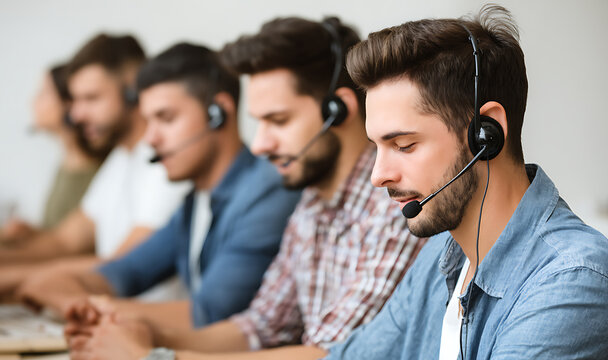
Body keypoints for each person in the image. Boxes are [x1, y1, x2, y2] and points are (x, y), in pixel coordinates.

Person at [65, 16, 426, 360]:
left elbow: (334, 354)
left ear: (339, 110)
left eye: (278, 121)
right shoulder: (312, 204)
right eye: (259, 123)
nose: (259, 145)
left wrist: (152, 355)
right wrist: (141, 332)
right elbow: (259, 326)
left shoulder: (395, 205)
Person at [324, 5, 608, 359]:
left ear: (485, 133)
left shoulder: (574, 285)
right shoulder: (443, 256)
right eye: (378, 146)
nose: (378, 175)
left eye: (403, 145)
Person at [16, 42, 301, 331]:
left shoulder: (267, 191)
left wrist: (86, 307)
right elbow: (124, 272)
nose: (150, 139)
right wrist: (67, 289)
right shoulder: (194, 201)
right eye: (148, 120)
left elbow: (212, 313)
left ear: (219, 112)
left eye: (165, 118)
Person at [0, 34, 189, 306]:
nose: (76, 115)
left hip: (147, 323)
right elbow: (64, 241)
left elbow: (124, 264)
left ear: (132, 92)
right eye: (75, 101)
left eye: (91, 98)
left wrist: (10, 278)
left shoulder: (166, 162)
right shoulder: (121, 159)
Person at [0, 64, 105, 243]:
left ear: (68, 104)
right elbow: (59, 234)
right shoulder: (66, 164)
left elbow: (72, 245)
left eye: (44, 93)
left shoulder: (95, 172)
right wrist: (32, 233)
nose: (33, 101)